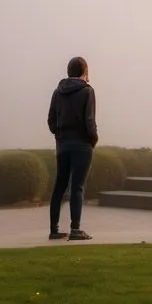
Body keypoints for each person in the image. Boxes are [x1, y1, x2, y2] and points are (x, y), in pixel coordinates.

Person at [47, 56, 98, 241]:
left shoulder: (57, 92)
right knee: (77, 186)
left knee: (59, 186)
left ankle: (54, 230)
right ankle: (75, 229)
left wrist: (60, 135)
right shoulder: (87, 91)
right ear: (85, 71)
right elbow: (89, 120)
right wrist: (93, 139)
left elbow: (51, 120)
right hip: (82, 144)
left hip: (62, 144)